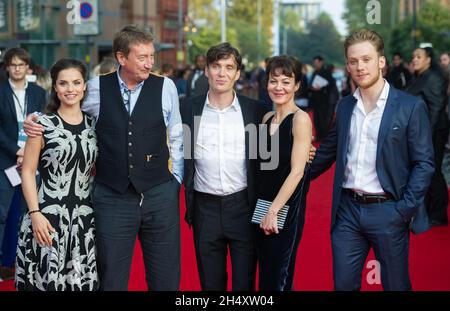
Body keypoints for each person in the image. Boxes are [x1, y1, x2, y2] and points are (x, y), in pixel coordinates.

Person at [24, 25, 184, 291]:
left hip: (159, 194)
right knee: (111, 279)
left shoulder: (165, 86)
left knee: (166, 278)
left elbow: (177, 136)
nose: (150, 63)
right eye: (142, 57)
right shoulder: (96, 88)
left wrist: (175, 181)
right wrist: (37, 120)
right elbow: (68, 111)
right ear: (122, 58)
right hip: (112, 197)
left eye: (151, 56)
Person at [311, 29, 434, 291]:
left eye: (366, 59)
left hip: (388, 210)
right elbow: (326, 152)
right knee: (343, 286)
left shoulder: (410, 107)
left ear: (381, 61)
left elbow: (424, 163)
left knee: (395, 286)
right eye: (353, 61)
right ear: (347, 65)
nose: (360, 67)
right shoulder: (345, 106)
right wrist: (288, 173)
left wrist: (403, 210)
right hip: (347, 212)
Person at [180, 42, 268, 290]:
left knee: (245, 284)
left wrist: (306, 150)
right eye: (216, 66)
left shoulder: (255, 111)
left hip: (244, 206)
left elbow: (271, 157)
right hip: (204, 209)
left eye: (229, 67)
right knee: (210, 284)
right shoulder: (187, 109)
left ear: (238, 73)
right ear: (206, 70)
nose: (222, 73)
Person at [15, 58, 98, 291]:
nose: (70, 89)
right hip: (47, 219)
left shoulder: (95, 124)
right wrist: (35, 214)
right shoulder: (41, 125)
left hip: (84, 222)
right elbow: (28, 172)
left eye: (76, 82)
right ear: (55, 87)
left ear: (84, 87)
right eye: (63, 83)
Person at [254, 55, 312, 291]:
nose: (278, 87)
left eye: (286, 81)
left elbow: (297, 172)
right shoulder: (266, 118)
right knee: (265, 274)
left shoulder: (301, 120)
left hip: (284, 208)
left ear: (297, 85)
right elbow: (261, 163)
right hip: (261, 205)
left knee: (280, 276)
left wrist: (273, 211)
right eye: (273, 80)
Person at [0, 48, 46, 281]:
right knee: (3, 212)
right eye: (13, 64)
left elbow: (44, 123)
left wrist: (28, 151)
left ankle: (30, 261)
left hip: (33, 158)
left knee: (32, 211)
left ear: (28, 67)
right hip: (5, 160)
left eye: (21, 64)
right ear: (7, 67)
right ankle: (2, 264)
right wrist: (16, 150)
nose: (17, 68)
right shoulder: (0, 92)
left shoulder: (38, 92)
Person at [406, 47, 449, 227]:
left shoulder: (433, 78)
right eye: (413, 57)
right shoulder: (420, 77)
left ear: (429, 60)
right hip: (423, 132)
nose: (414, 60)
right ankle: (430, 211)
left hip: (434, 132)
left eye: (419, 57)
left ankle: (438, 214)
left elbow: (436, 108)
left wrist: (426, 136)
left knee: (433, 171)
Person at [309, 55, 334, 142]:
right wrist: (312, 88)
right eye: (314, 63)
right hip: (315, 99)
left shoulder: (326, 72)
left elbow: (331, 85)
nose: (316, 64)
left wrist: (321, 88)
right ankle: (318, 136)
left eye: (317, 63)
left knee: (323, 119)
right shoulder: (314, 72)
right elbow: (310, 84)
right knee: (316, 119)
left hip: (323, 100)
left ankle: (324, 137)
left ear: (321, 62)